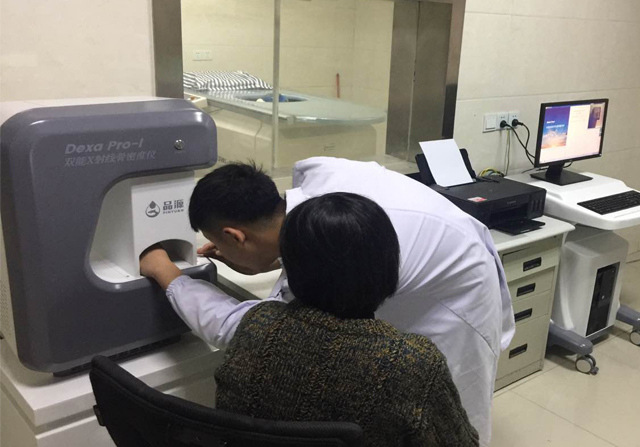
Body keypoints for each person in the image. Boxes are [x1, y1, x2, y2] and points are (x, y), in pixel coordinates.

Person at [140, 158, 515, 446]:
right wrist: (270, 258)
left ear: (236, 236)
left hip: (451, 301)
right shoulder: (320, 200)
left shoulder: (416, 361)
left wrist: (164, 270)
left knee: (445, 415)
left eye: (219, 242)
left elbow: (239, 326)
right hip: (430, 254)